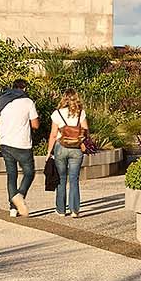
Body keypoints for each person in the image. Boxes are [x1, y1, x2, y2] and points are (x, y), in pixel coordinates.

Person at [0, 78, 40, 217]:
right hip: (23, 144)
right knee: (29, 173)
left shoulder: (1, 101)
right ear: (24, 89)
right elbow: (35, 125)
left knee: (11, 175)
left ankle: (12, 209)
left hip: (5, 142)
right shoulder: (28, 102)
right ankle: (19, 196)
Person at [48, 88, 88, 217]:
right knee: (74, 179)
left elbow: (53, 134)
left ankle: (61, 209)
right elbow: (85, 130)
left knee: (61, 179)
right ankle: (74, 209)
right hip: (76, 149)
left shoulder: (57, 113)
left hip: (61, 147)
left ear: (63, 98)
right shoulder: (81, 113)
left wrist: (49, 151)